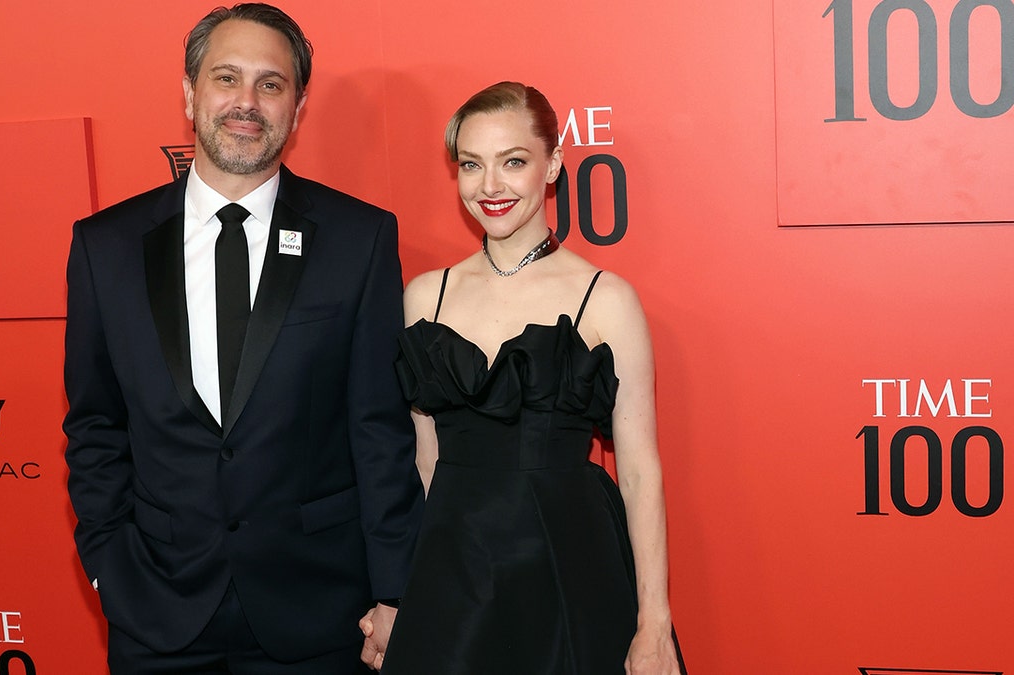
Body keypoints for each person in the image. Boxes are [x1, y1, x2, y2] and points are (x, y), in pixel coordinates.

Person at [62, 4, 423, 672]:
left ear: (298, 104)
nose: (246, 103)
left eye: (271, 83)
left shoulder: (359, 239)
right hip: (156, 611)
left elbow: (379, 432)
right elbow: (95, 425)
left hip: (318, 614)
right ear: (190, 93)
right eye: (226, 78)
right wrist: (108, 565)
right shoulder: (104, 247)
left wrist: (395, 589)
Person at [377, 82, 686, 674]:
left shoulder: (607, 299)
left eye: (512, 162)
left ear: (554, 165)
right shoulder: (425, 297)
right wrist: (397, 592)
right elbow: (423, 464)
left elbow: (640, 471)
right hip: (452, 577)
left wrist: (653, 623)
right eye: (472, 165)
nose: (490, 186)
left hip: (569, 566)